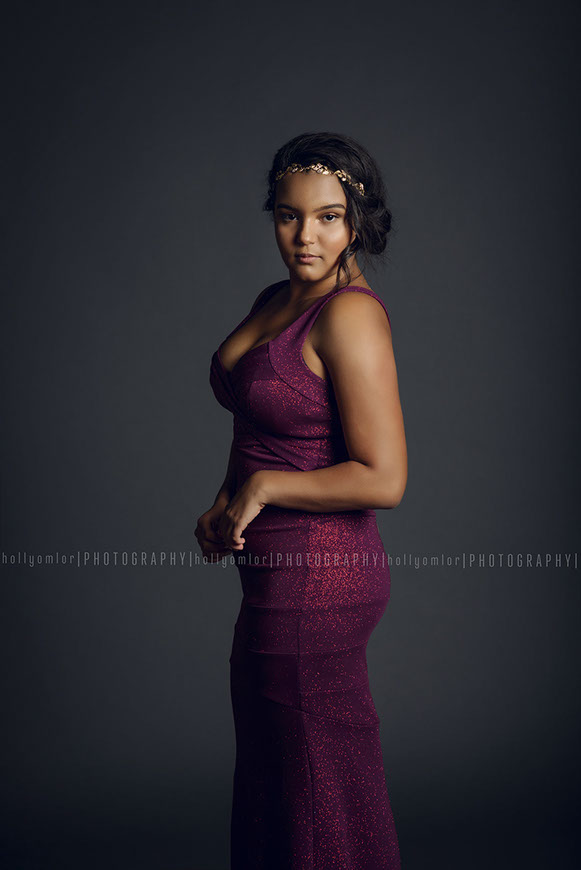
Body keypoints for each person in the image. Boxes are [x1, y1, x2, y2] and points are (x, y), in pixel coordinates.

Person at [196, 131, 407, 869]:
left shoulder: (350, 315)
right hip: (271, 580)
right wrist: (226, 498)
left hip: (321, 581)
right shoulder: (277, 299)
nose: (304, 236)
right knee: (276, 783)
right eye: (288, 215)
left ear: (357, 221)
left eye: (327, 216)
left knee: (318, 792)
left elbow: (384, 478)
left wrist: (263, 487)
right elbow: (259, 422)